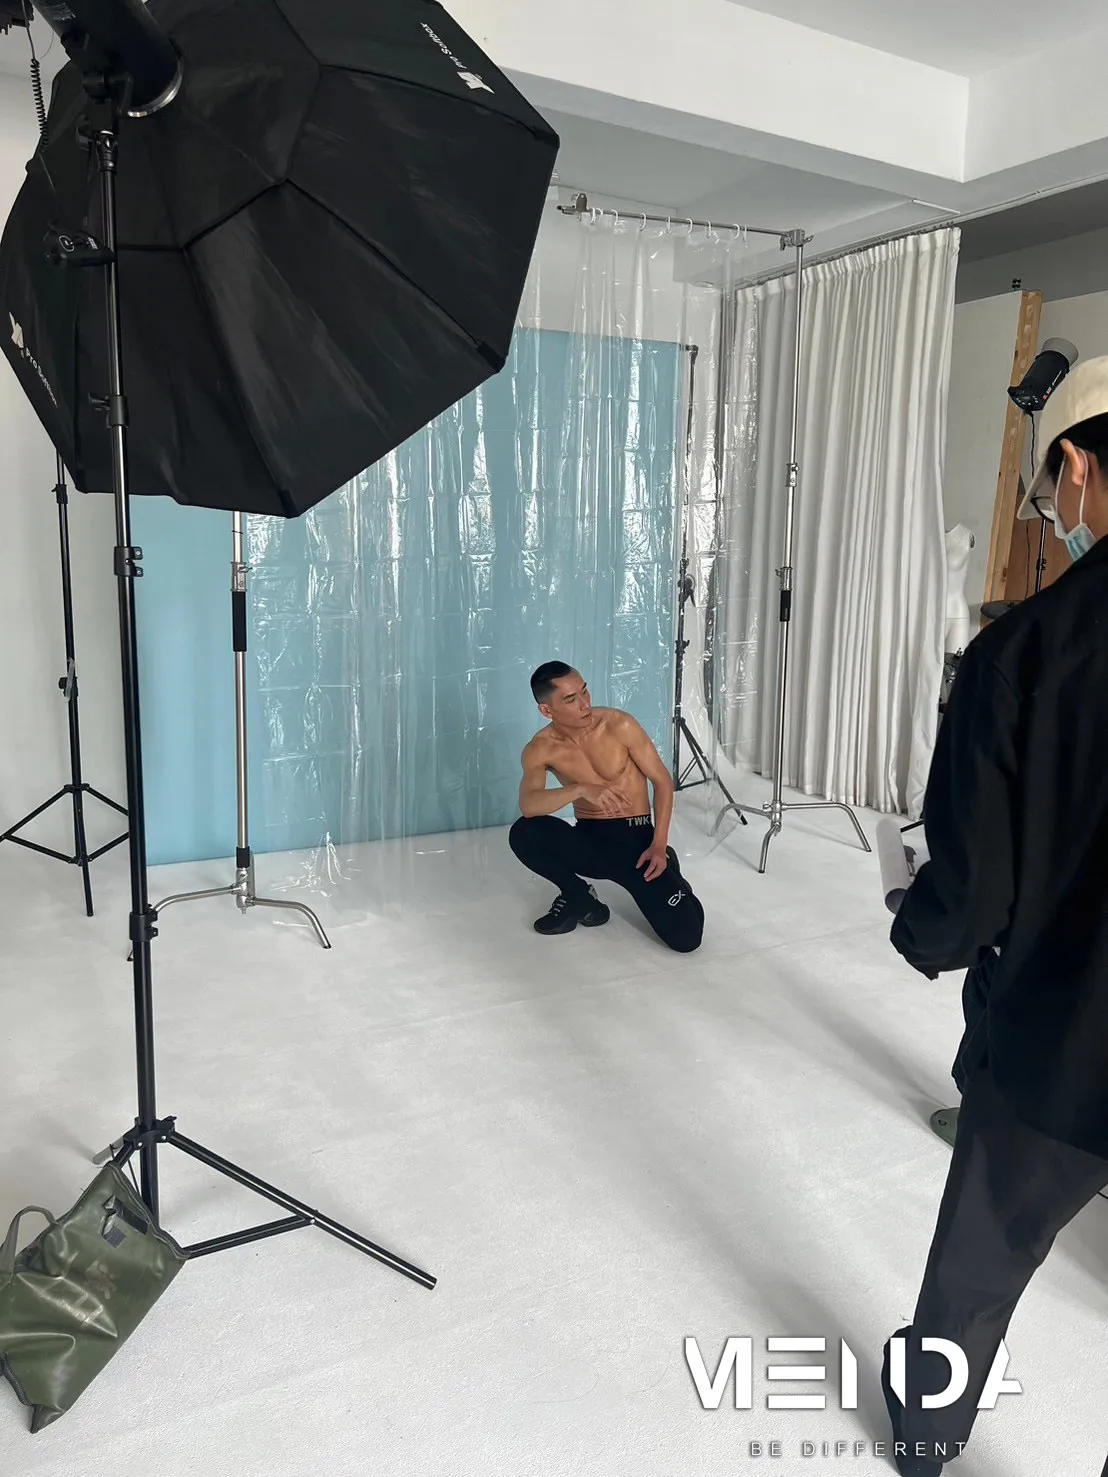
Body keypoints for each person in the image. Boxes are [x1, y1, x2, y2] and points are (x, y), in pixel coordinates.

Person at [881, 359, 1108, 1476]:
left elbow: (969, 897)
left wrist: (916, 921)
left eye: (1052, 485)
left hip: (1063, 1040)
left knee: (982, 1254)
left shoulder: (1026, 651)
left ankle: (928, 1435)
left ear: (1074, 466)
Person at [508, 662, 704, 952]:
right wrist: (579, 789)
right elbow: (529, 805)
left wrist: (659, 845)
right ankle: (580, 898)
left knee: (687, 939)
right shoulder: (540, 748)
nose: (585, 704)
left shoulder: (618, 725)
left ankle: (672, 872)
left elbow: (662, 781)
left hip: (637, 843)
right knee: (524, 832)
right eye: (571, 699)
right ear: (547, 711)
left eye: (584, 691)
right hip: (591, 839)